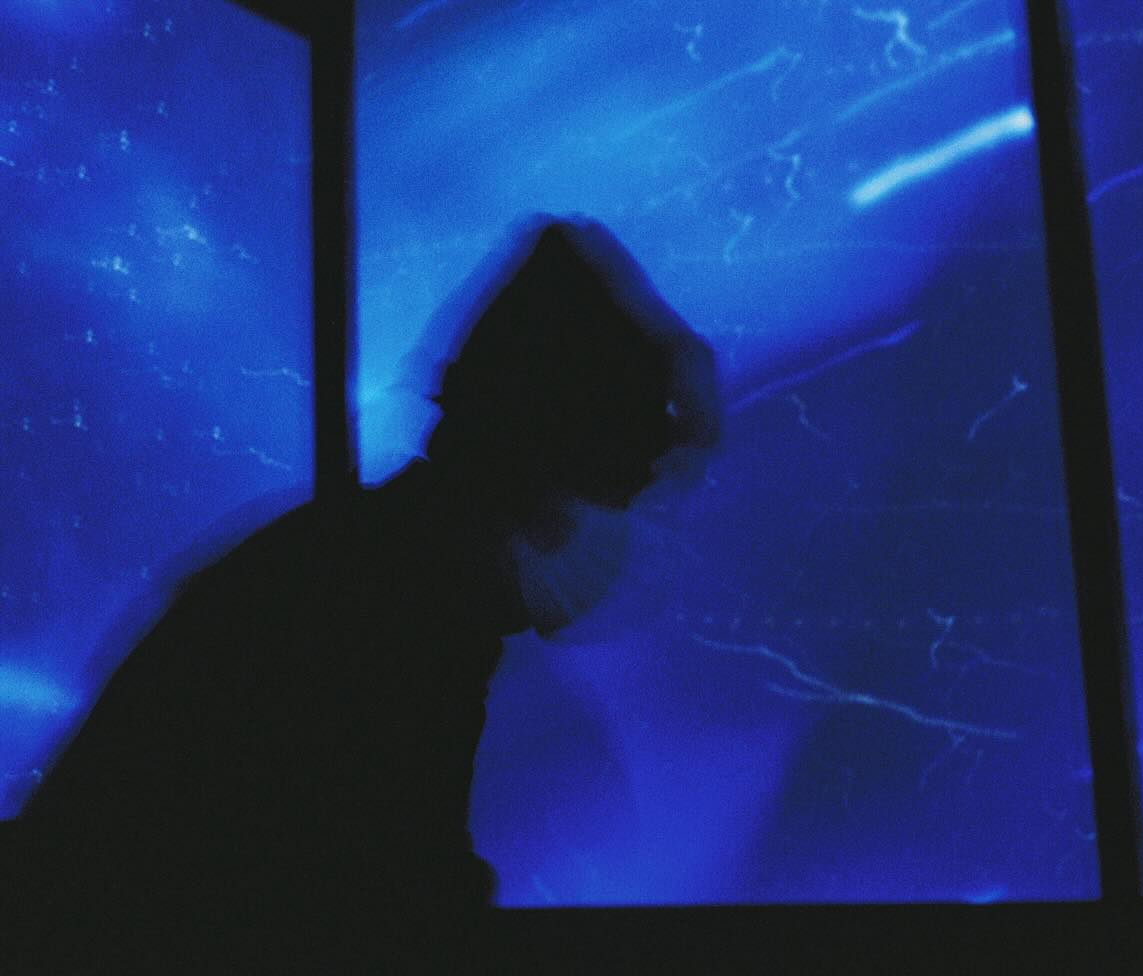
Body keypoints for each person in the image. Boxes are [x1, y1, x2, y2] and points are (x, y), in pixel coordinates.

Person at [0, 216, 720, 972]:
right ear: (542, 479)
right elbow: (388, 905)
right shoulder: (389, 620)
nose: (625, 532)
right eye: (618, 490)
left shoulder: (364, 568)